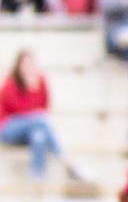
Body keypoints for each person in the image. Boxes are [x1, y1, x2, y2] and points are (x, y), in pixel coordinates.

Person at [0, 49, 83, 184]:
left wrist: (35, 89)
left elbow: (45, 107)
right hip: (9, 128)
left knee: (39, 137)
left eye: (31, 64)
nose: (29, 68)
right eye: (25, 64)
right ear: (18, 66)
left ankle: (37, 178)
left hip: (31, 129)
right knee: (39, 120)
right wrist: (31, 91)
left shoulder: (41, 81)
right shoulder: (10, 83)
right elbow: (17, 109)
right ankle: (66, 160)